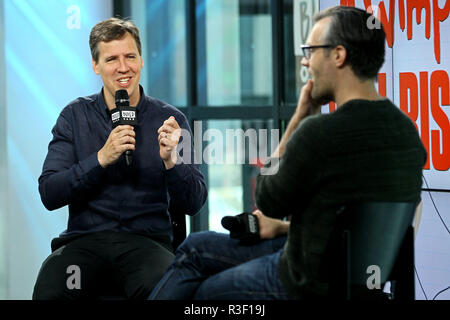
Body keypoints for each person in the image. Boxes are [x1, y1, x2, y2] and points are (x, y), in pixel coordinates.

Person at [149, 6, 426, 300]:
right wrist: (284, 228)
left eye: (311, 50)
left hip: (303, 280)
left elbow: (267, 199)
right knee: (197, 245)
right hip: (354, 275)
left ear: (338, 55)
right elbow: (351, 223)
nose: (306, 61)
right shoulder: (407, 133)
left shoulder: (318, 133)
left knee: (201, 285)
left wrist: (298, 119)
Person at [32, 17, 207, 300]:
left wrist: (172, 162)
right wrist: (100, 158)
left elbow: (194, 202)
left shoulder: (171, 120)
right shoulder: (74, 116)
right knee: (57, 288)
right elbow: (49, 193)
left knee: (163, 290)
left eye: (130, 56)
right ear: (96, 65)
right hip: (85, 245)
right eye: (112, 59)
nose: (123, 67)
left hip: (147, 244)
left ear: (140, 60)